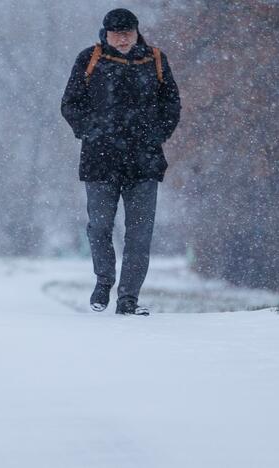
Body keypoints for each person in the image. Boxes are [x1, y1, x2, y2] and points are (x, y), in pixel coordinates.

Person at [60, 8, 181, 315]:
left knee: (139, 234)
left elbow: (171, 103)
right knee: (99, 226)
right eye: (117, 33)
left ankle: (128, 298)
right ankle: (104, 280)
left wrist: (156, 134)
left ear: (137, 31)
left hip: (144, 162)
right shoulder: (90, 60)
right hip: (100, 161)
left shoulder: (154, 59)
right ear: (106, 34)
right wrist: (92, 130)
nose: (123, 38)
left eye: (128, 32)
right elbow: (70, 103)